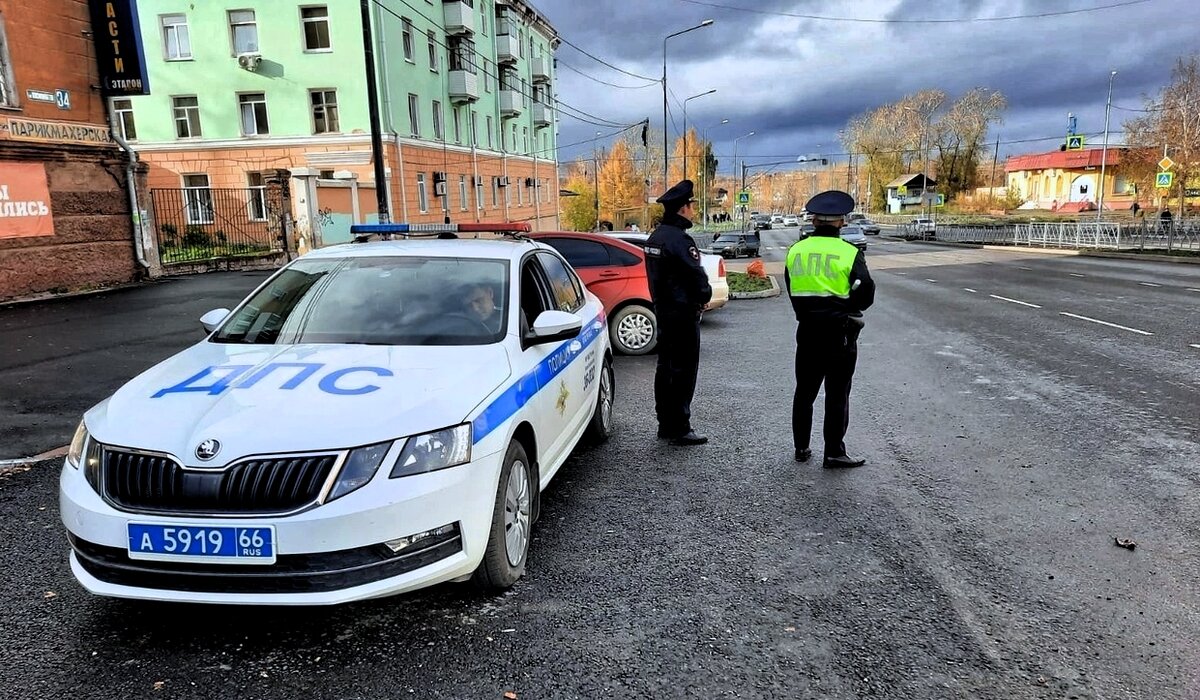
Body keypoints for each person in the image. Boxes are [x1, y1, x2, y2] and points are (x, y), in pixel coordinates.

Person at [784, 190, 876, 468]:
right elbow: (867, 294)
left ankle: (801, 447)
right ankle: (834, 451)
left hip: (808, 331)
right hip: (840, 333)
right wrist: (846, 303)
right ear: (842, 222)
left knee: (804, 392)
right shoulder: (849, 253)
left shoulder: (795, 251)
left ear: (813, 221)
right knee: (837, 393)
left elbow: (792, 289)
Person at [645, 179, 712, 446]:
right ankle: (681, 426)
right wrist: (704, 296)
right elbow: (695, 276)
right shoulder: (679, 240)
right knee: (684, 371)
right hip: (683, 314)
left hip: (663, 310)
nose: (694, 210)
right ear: (683, 208)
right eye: (692, 205)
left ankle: (665, 423)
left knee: (666, 369)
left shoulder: (656, 237)